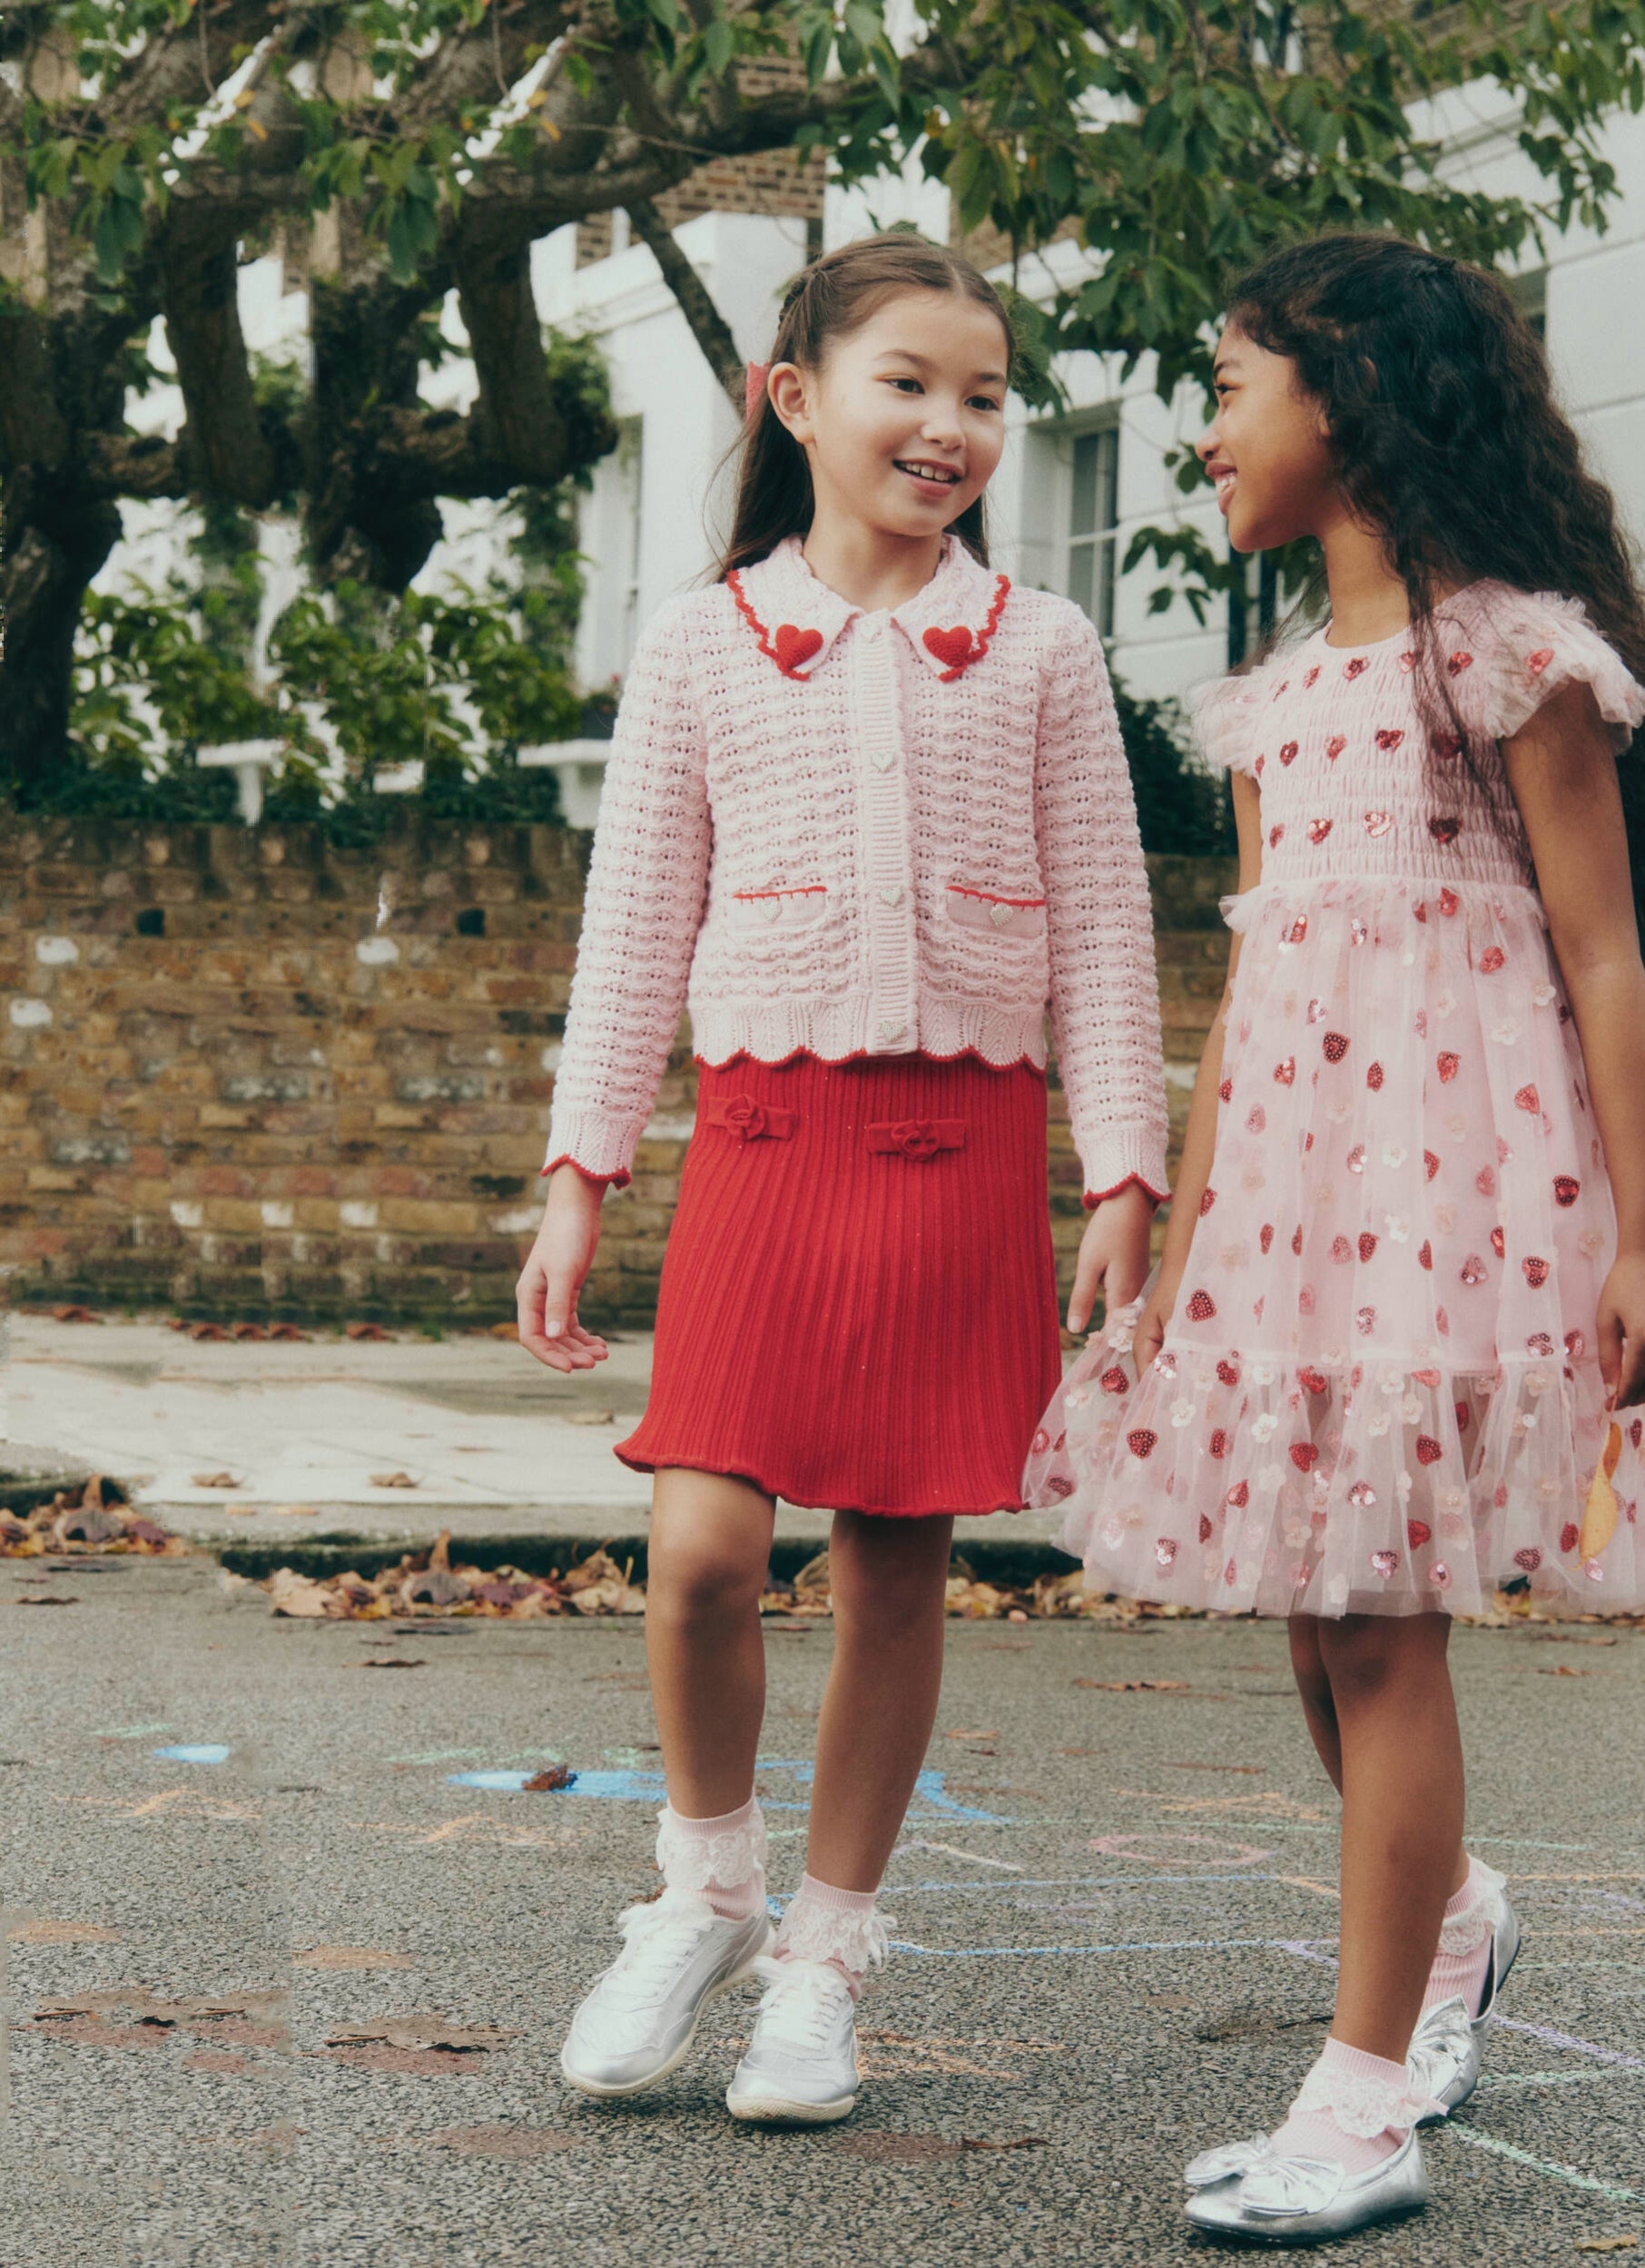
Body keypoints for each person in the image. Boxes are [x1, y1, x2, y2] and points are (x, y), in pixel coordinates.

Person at [1028, 232, 1645, 2243]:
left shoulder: (1508, 650)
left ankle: (1361, 2102)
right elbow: (1248, 992)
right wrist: (1172, 1237)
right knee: (1309, 1601)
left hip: (1460, 1194)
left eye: (1230, 382)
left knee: (1378, 1609)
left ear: (1345, 397)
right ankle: (1449, 1915)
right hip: (1294, 1201)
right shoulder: (1272, 709)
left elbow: (1603, 961)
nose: (1203, 428)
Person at [518, 232, 1167, 2126]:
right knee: (705, 1552)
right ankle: (703, 1885)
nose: (948, 425)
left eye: (982, 395)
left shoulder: (1042, 646)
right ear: (792, 399)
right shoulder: (702, 644)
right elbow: (631, 930)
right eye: (908, 382)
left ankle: (822, 1951)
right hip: (764, 1147)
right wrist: (581, 1175)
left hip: (959, 1154)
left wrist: (1121, 1167)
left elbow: (1105, 936)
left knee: (896, 1567)